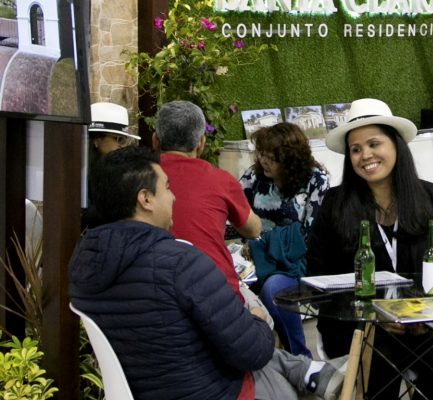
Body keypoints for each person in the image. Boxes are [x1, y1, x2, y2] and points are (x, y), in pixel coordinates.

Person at [69, 146, 346, 400]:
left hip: (150, 386)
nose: (173, 196)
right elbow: (252, 352)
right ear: (146, 199)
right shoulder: (181, 263)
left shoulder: (83, 265)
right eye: (167, 187)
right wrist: (258, 320)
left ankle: (307, 370)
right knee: (273, 370)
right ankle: (309, 372)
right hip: (212, 390)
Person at [307, 98, 433, 400]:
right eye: (356, 149)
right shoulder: (335, 205)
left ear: (396, 146)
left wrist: (417, 316)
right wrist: (374, 316)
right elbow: (319, 281)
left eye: (374, 144)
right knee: (378, 362)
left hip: (420, 324)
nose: (365, 155)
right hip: (356, 325)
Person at [153, 100, 261, 302]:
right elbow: (253, 230)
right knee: (263, 315)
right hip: (217, 292)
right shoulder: (220, 180)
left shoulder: (136, 178)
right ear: (201, 143)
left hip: (153, 292)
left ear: (155, 141)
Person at [239, 122, 330, 358]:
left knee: (273, 289)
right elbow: (234, 220)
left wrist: (258, 243)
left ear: (290, 159)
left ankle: (299, 357)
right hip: (254, 262)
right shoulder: (252, 176)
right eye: (262, 154)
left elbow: (308, 236)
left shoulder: (315, 180)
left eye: (272, 158)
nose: (264, 162)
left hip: (298, 263)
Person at [82, 102, 141, 230]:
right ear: (97, 140)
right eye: (118, 139)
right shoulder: (80, 173)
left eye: (124, 140)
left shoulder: (117, 169)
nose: (122, 145)